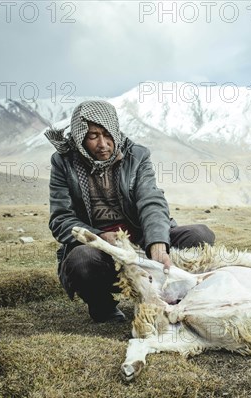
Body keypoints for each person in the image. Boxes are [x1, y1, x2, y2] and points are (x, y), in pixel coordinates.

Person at [45, 100, 215, 323]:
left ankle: (178, 297)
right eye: (93, 136)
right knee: (81, 259)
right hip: (102, 250)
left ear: (115, 131)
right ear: (79, 137)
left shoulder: (137, 156)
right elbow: (61, 219)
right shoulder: (64, 163)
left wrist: (158, 245)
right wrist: (100, 237)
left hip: (142, 240)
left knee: (200, 235)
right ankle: (102, 305)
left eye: (107, 134)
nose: (103, 144)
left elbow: (151, 201)